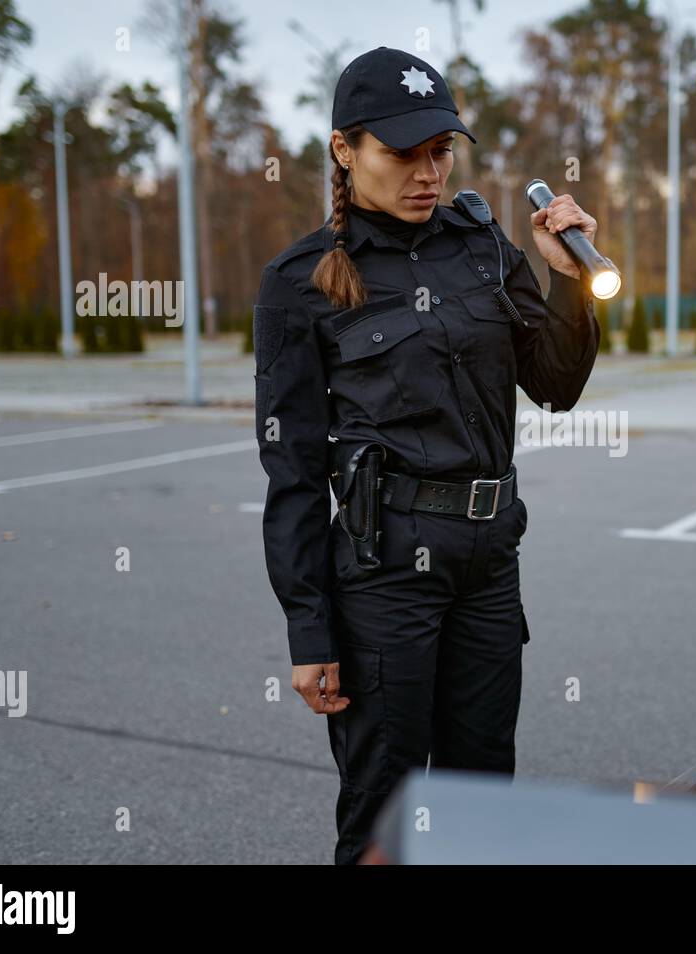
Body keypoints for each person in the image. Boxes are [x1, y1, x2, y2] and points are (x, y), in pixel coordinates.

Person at [251, 46, 601, 863]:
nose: (427, 172)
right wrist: (310, 630)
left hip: (488, 565)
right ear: (345, 150)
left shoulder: (481, 245)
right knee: (388, 812)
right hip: (383, 577)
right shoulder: (300, 280)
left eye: (440, 150)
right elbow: (292, 468)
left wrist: (571, 286)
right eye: (402, 153)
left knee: (481, 804)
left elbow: (554, 384)